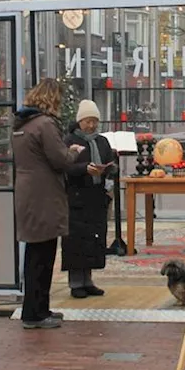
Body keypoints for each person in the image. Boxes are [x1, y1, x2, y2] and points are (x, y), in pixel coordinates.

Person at [12, 78, 84, 330]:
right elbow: (60, 160)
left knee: (35, 253)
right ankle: (35, 314)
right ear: (52, 99)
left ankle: (38, 308)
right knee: (43, 255)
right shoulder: (45, 124)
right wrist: (74, 150)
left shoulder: (22, 125)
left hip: (27, 192)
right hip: (44, 195)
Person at [62, 100, 117, 298]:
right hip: (77, 197)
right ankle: (76, 282)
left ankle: (88, 280)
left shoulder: (101, 141)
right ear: (79, 121)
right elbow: (65, 166)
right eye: (87, 121)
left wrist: (108, 170)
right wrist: (84, 169)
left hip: (96, 196)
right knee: (76, 240)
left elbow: (111, 162)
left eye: (94, 121)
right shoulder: (70, 141)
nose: (91, 125)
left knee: (93, 239)